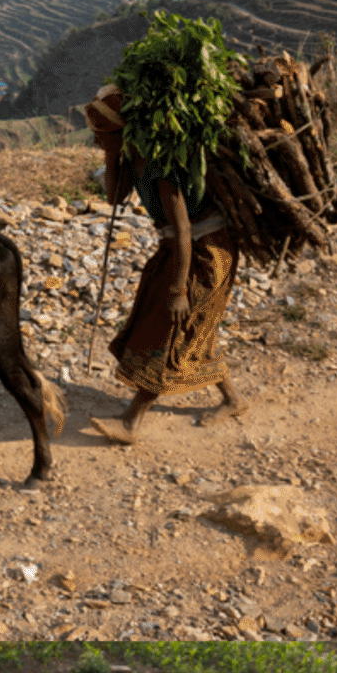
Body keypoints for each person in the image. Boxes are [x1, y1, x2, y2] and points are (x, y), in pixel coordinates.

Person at [82, 82, 250, 445]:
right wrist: (111, 157)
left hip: (205, 250)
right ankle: (234, 399)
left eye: (101, 135)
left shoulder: (159, 163)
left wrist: (178, 289)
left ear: (120, 129)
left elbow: (184, 227)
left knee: (172, 326)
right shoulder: (130, 151)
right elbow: (114, 197)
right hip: (179, 246)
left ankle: (131, 422)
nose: (96, 141)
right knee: (193, 326)